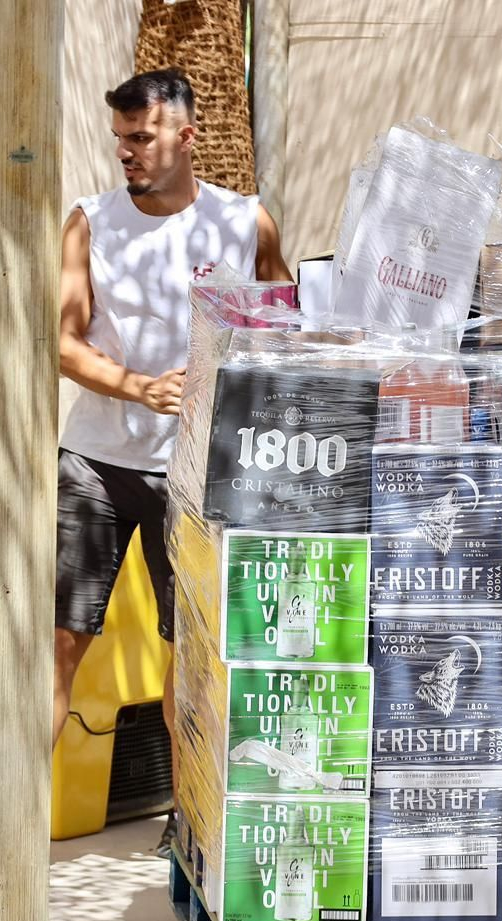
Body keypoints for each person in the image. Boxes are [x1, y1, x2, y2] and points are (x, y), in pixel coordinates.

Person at [54, 69, 293, 856]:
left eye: (142, 138)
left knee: (185, 652)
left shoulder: (244, 220)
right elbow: (60, 340)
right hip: (94, 460)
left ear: (186, 135)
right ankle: (13, 814)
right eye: (119, 138)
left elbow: (285, 329)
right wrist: (133, 387)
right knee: (58, 642)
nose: (126, 152)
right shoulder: (90, 221)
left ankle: (188, 816)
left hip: (196, 473)